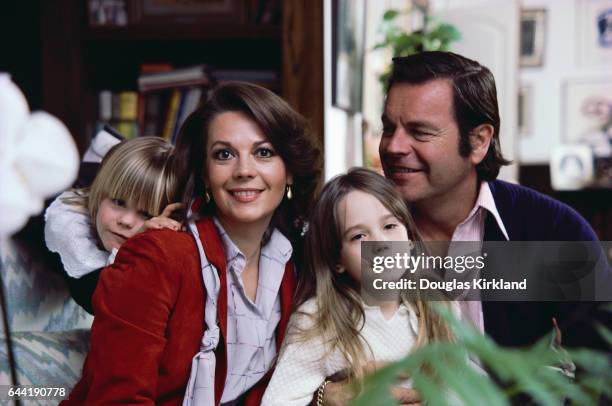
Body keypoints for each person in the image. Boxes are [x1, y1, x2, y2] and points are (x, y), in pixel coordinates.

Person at [61, 82, 321, 405]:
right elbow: (117, 399)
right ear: (205, 173)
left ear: (290, 171)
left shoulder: (290, 263)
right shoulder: (158, 256)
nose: (244, 170)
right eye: (224, 154)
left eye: (263, 152)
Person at [377, 51, 609, 351]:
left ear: (478, 141)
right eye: (388, 128)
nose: (393, 146)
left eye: (420, 132)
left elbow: (601, 370)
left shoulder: (555, 230)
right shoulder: (358, 229)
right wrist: (325, 394)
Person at [261, 168, 457, 406]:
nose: (381, 243)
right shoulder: (318, 320)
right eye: (359, 236)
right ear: (337, 260)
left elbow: (460, 393)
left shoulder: (440, 306)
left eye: (389, 226)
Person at [45, 136, 182, 314]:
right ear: (100, 194)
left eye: (146, 214)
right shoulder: (68, 225)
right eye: (118, 202)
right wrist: (137, 249)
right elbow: (103, 300)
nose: (126, 221)